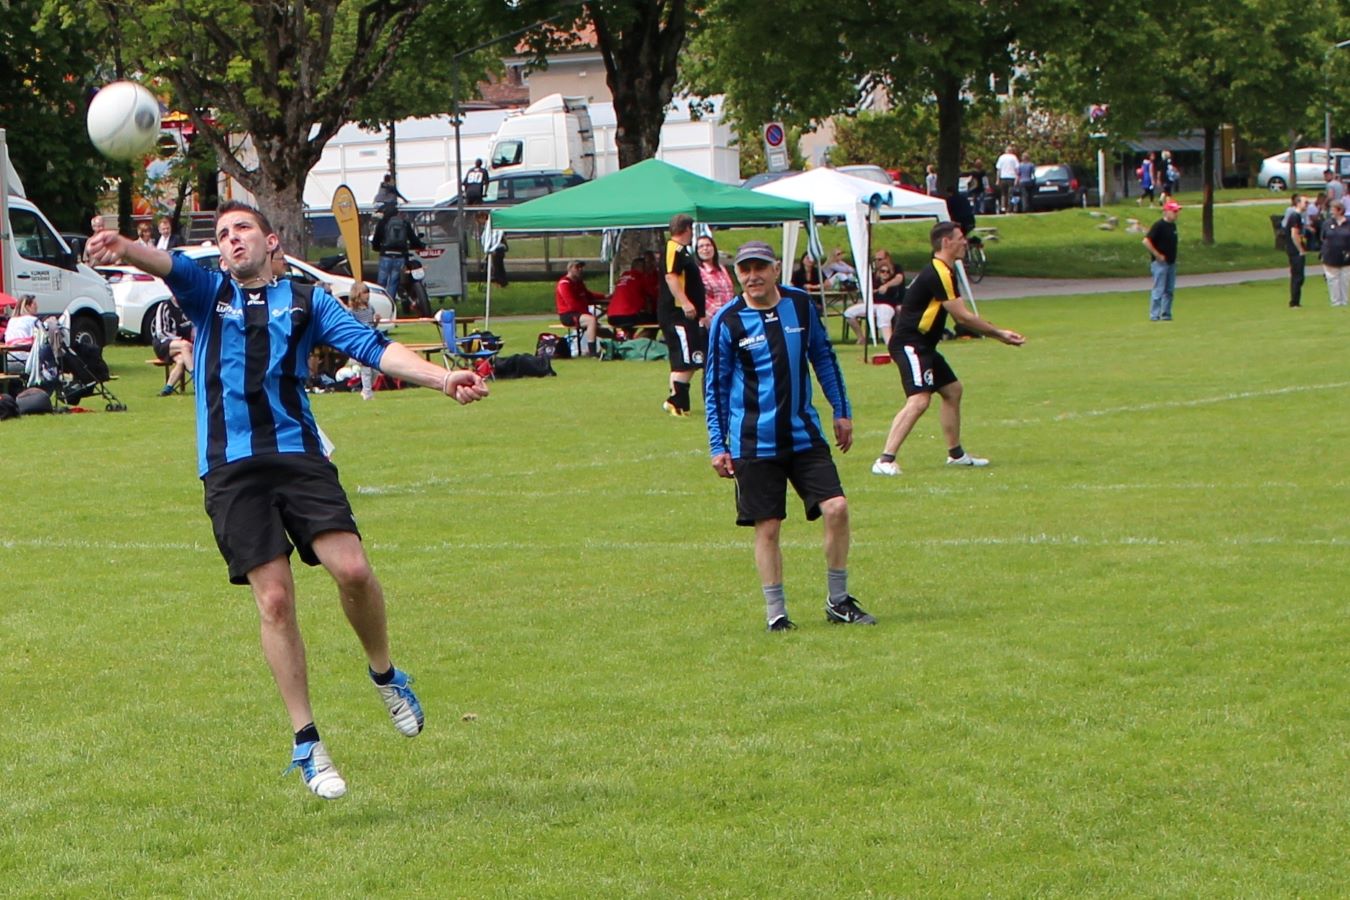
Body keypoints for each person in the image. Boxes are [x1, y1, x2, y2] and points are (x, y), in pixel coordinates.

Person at [85, 200, 490, 800]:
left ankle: (385, 674)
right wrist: (125, 248)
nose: (232, 239)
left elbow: (372, 347)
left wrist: (442, 378)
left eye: (243, 229)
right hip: (230, 469)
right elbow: (166, 263)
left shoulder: (307, 301)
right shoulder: (208, 292)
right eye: (223, 233)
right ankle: (308, 743)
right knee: (274, 600)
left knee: (353, 570)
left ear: (271, 241)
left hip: (298, 456)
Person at [705, 240, 873, 631]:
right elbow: (715, 386)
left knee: (837, 508)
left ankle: (838, 601)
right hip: (753, 442)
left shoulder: (799, 304)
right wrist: (718, 444)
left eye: (760, 267)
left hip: (804, 435)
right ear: (737, 274)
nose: (752, 276)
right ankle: (776, 614)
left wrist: (841, 411)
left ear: (776, 268)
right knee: (768, 527)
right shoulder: (727, 320)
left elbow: (823, 357)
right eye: (745, 269)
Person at [871, 221, 1025, 477]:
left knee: (952, 390)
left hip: (924, 345)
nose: (965, 242)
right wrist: (999, 334)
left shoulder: (945, 270)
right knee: (919, 400)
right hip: (910, 343)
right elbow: (962, 317)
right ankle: (884, 460)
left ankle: (956, 455)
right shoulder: (939, 272)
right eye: (960, 237)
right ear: (946, 242)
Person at [658, 214, 706, 417]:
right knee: (689, 358)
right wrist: (685, 302)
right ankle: (675, 401)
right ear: (686, 229)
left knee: (684, 358)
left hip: (686, 315)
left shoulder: (683, 251)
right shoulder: (673, 249)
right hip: (677, 313)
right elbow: (671, 276)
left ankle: (678, 402)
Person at [371, 203, 425, 313]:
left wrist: (378, 248)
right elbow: (413, 239)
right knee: (393, 283)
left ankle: (379, 307)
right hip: (400, 256)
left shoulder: (382, 223)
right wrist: (420, 245)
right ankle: (389, 308)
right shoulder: (404, 223)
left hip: (386, 255)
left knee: (381, 282)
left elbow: (376, 241)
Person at [844, 251, 905, 345]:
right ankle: (861, 338)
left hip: (887, 305)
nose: (885, 273)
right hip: (872, 304)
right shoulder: (873, 277)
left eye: (887, 272)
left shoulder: (894, 278)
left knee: (883, 314)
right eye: (882, 271)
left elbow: (899, 279)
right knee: (849, 313)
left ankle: (889, 342)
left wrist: (886, 286)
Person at [554, 259, 605, 357]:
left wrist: (605, 296)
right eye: (577, 267)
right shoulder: (564, 284)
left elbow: (589, 295)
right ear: (569, 269)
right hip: (568, 315)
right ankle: (592, 353)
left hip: (580, 314)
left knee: (600, 329)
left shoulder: (579, 283)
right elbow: (572, 304)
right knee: (591, 321)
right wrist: (587, 314)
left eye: (581, 267)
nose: (580, 269)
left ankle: (620, 342)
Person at [1143, 200, 1182, 321]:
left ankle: (1166, 313)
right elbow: (1146, 241)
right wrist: (1157, 254)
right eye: (1174, 211)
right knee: (1159, 289)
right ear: (1166, 212)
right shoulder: (1159, 225)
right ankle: (1154, 314)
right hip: (1160, 263)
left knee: (1169, 290)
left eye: (1177, 211)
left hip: (1171, 262)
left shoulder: (1173, 226)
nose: (1176, 214)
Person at [151, 297, 194, 396]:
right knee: (185, 346)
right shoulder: (165, 306)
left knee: (181, 360)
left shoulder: (188, 305)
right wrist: (179, 340)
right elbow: (160, 333)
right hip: (163, 344)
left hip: (182, 346)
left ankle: (168, 388)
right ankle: (195, 376)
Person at [607, 257, 658, 335]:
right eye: (646, 267)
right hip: (628, 316)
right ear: (642, 267)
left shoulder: (623, 277)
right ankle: (637, 341)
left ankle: (627, 339)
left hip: (611, 317)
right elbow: (653, 294)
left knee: (633, 323)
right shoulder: (641, 277)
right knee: (655, 321)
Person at [346, 281, 380, 398]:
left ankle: (366, 388)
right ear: (358, 294)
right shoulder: (352, 311)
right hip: (361, 342)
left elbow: (372, 326)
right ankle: (367, 392)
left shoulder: (370, 308)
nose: (367, 295)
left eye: (368, 292)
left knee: (375, 369)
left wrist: (376, 321)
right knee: (366, 368)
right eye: (365, 293)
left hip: (371, 340)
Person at [696, 234, 735, 321]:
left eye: (708, 245)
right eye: (701, 246)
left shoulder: (722, 268)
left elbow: (730, 292)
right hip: (713, 318)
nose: (705, 249)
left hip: (730, 315)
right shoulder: (697, 271)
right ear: (697, 251)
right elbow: (699, 298)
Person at [1320, 198, 1350, 308]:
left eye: (1333, 209)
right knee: (1333, 280)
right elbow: (1323, 237)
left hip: (1346, 257)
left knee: (1345, 280)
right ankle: (1335, 303)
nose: (1331, 212)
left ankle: (1344, 302)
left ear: (1340, 210)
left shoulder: (1348, 223)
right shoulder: (1327, 223)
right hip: (1330, 256)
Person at [1281, 194, 1309, 308]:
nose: (1307, 205)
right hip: (1295, 250)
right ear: (1298, 203)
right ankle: (1294, 302)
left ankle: (1296, 300)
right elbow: (1294, 234)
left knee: (1299, 276)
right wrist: (1300, 249)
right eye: (1305, 202)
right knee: (1297, 275)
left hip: (1296, 249)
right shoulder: (1295, 216)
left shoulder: (1299, 216)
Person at [2, 294, 38, 374]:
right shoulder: (33, 320)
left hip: (9, 362)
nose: (37, 306)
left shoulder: (11, 321)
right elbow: (39, 340)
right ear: (27, 307)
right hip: (27, 362)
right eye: (34, 304)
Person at [995, 145, 1018, 214]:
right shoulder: (1014, 157)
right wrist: (1017, 178)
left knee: (1003, 194)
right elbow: (1016, 169)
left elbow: (998, 169)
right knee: (1010, 194)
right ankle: (1009, 208)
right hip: (1011, 177)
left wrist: (997, 179)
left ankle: (1003, 207)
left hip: (1003, 178)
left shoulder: (1001, 157)